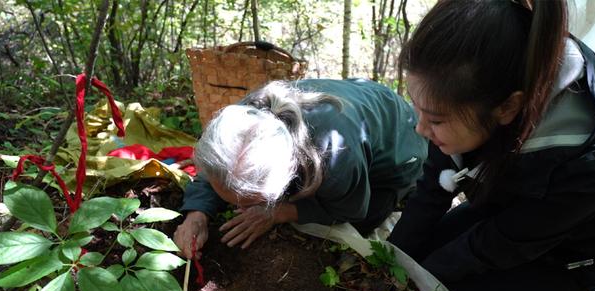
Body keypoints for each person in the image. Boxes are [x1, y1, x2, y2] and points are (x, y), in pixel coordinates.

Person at [388, 0, 595, 291]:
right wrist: (390, 260)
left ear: (507, 107)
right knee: (416, 256)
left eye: (435, 120)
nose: (420, 129)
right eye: (419, 111)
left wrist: (424, 275)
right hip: (518, 195)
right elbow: (431, 190)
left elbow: (501, 243)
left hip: (583, 248)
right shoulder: (474, 85)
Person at [174, 78, 427, 257]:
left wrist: (281, 213)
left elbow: (351, 208)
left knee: (351, 229)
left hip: (403, 140)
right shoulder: (237, 123)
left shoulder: (335, 153)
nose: (239, 209)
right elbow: (214, 171)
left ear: (284, 179)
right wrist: (197, 214)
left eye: (250, 201)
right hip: (358, 101)